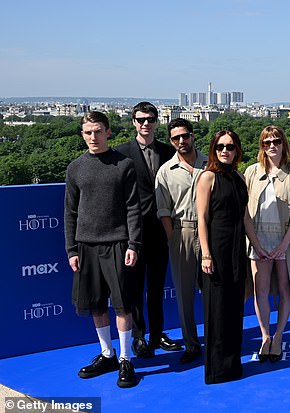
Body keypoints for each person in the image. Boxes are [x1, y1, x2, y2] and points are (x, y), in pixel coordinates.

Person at [64, 111, 141, 388]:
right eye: (88, 132)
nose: (93, 137)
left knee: (122, 304)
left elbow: (134, 208)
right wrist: (71, 249)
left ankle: (125, 359)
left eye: (97, 131)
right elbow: (70, 212)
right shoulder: (75, 168)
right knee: (95, 303)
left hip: (119, 244)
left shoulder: (125, 164)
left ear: (108, 132)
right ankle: (107, 354)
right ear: (82, 134)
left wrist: (134, 244)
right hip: (86, 246)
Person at [116, 101, 181, 358]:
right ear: (133, 121)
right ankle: (139, 336)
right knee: (134, 287)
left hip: (162, 229)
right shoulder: (121, 154)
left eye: (150, 119)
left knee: (156, 287)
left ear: (157, 121)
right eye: (141, 119)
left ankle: (157, 334)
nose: (146, 123)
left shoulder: (168, 151)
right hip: (134, 232)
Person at [244, 125, 290, 362]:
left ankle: (279, 335)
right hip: (258, 238)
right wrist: (256, 243)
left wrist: (284, 243)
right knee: (259, 291)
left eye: (276, 141)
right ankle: (265, 337)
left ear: (284, 144)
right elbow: (245, 211)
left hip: (287, 240)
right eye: (266, 142)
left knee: (286, 289)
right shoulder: (251, 172)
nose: (272, 146)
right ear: (262, 146)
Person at [196, 130, 248, 384]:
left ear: (237, 149)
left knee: (234, 308)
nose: (225, 151)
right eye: (220, 147)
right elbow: (202, 219)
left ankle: (232, 364)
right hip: (216, 251)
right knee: (217, 310)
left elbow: (245, 216)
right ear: (213, 150)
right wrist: (206, 254)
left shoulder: (239, 176)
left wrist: (256, 246)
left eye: (230, 147)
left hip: (238, 250)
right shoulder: (207, 177)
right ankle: (216, 370)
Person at [155, 118, 208, 364]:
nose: (181, 141)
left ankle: (217, 338)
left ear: (193, 135)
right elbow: (163, 211)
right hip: (181, 232)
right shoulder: (165, 171)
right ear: (171, 141)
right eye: (175, 138)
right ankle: (191, 344)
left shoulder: (211, 163)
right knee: (185, 294)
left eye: (184, 136)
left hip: (211, 232)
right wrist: (173, 238)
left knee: (212, 289)